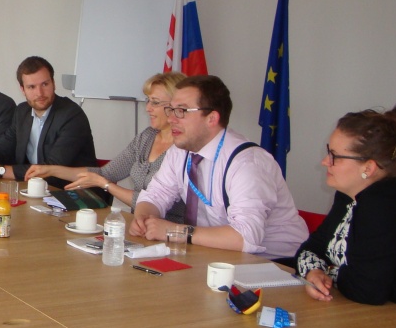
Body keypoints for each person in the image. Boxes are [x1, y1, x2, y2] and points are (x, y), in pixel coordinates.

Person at [130, 75, 308, 259]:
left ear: (212, 118)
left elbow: (246, 237)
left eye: (181, 111)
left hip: (276, 263)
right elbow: (156, 194)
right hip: (216, 253)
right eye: (171, 110)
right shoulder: (180, 151)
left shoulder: (247, 163)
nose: (171, 119)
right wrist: (144, 218)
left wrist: (175, 231)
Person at [26, 72, 187, 220]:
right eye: (148, 101)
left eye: (155, 102)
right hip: (139, 225)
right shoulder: (146, 137)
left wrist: (105, 185)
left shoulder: (185, 148)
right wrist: (51, 170)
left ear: (175, 106)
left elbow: (153, 202)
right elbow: (105, 173)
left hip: (171, 230)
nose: (148, 108)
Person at [296, 103, 396, 306]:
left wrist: (327, 272)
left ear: (368, 168)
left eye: (335, 156)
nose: (325, 161)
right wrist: (314, 271)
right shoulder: (348, 195)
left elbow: (366, 290)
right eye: (328, 152)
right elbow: (312, 248)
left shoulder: (387, 206)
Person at [0, 56, 96, 186]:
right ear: (23, 90)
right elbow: (4, 146)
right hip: (34, 189)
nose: (40, 93)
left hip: (71, 191)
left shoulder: (72, 116)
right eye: (32, 87)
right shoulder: (22, 112)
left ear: (53, 83)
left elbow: (51, 169)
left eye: (45, 84)